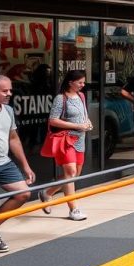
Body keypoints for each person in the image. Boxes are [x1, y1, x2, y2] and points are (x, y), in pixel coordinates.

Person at [39, 70, 94, 221]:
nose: (83, 85)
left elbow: (83, 114)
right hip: (66, 139)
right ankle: (74, 209)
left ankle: (47, 193)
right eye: (80, 82)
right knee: (70, 172)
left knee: (74, 174)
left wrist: (87, 122)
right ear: (70, 82)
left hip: (80, 139)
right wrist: (76, 126)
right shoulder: (60, 98)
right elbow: (53, 120)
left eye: (83, 82)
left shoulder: (81, 96)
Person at [0, 75, 36, 253]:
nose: (9, 94)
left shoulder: (8, 111)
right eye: (4, 91)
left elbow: (13, 139)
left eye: (10, 90)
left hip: (3, 163)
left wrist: (26, 167)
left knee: (23, 194)